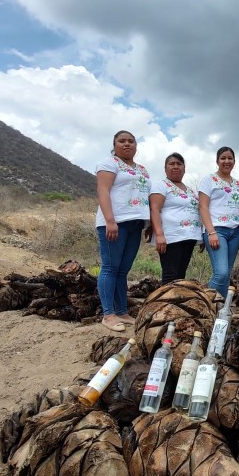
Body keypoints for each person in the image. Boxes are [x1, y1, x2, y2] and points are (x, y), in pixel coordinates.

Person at [95, 130, 151, 332]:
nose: (127, 144)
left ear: (136, 146)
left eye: (131, 141)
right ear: (114, 144)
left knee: (123, 270)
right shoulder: (109, 164)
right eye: (122, 141)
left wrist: (148, 222)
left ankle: (122, 311)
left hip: (135, 223)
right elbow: (103, 190)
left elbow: (145, 196)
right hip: (114, 223)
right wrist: (110, 220)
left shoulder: (142, 170)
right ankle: (108, 314)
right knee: (110, 267)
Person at [198, 147, 239, 297]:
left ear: (234, 161)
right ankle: (205, 306)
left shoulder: (238, 185)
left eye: (230, 158)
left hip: (235, 232)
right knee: (221, 273)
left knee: (226, 275)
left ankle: (220, 313)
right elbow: (203, 206)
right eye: (223, 158)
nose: (227, 161)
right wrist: (211, 232)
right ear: (217, 161)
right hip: (217, 230)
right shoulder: (208, 180)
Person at [150, 152, 201, 284]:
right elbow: (154, 209)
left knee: (180, 275)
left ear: (184, 168)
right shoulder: (161, 185)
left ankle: (176, 303)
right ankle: (165, 303)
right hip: (171, 237)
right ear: (165, 168)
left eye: (179, 164)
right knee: (170, 275)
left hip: (189, 236)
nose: (175, 166)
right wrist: (159, 234)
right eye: (171, 164)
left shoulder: (189, 190)